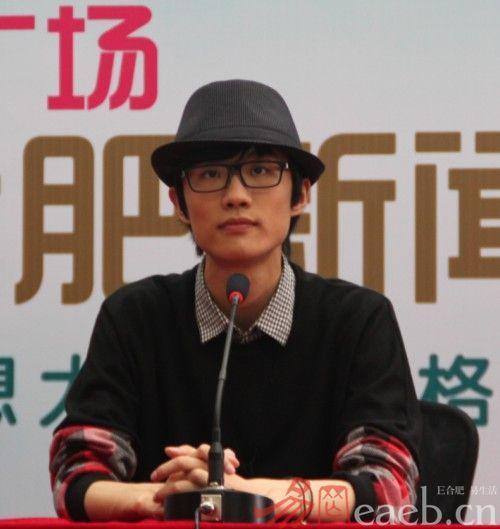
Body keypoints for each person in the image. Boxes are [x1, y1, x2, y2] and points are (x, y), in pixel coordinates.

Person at [49, 79, 421, 523]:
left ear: (300, 194)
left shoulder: (358, 320)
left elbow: (389, 489)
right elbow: (75, 476)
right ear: (179, 203)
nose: (236, 196)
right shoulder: (135, 317)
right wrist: (171, 498)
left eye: (261, 171)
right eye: (210, 174)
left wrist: (252, 496)